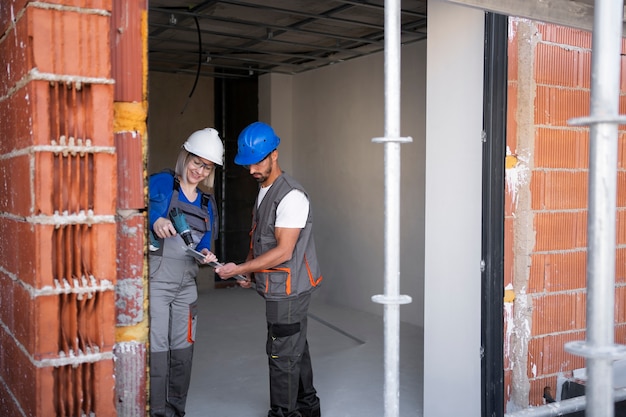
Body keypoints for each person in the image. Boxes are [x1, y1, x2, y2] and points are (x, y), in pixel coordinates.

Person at [215, 121, 323, 417]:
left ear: (274, 154)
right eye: (246, 164)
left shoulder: (291, 196)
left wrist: (241, 266)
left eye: (256, 162)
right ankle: (308, 408)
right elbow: (259, 236)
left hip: (288, 290)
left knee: (281, 355)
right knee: (293, 347)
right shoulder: (266, 189)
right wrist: (250, 272)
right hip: (278, 286)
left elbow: (283, 251)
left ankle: (283, 413)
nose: (251, 170)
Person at [148, 127, 222, 417]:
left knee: (183, 348)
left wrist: (206, 254)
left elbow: (204, 243)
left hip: (187, 286)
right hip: (158, 280)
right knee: (158, 348)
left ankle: (175, 411)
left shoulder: (207, 204)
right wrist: (155, 220)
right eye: (196, 162)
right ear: (185, 156)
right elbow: (132, 207)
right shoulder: (162, 183)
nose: (200, 170)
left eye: (207, 166)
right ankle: (155, 411)